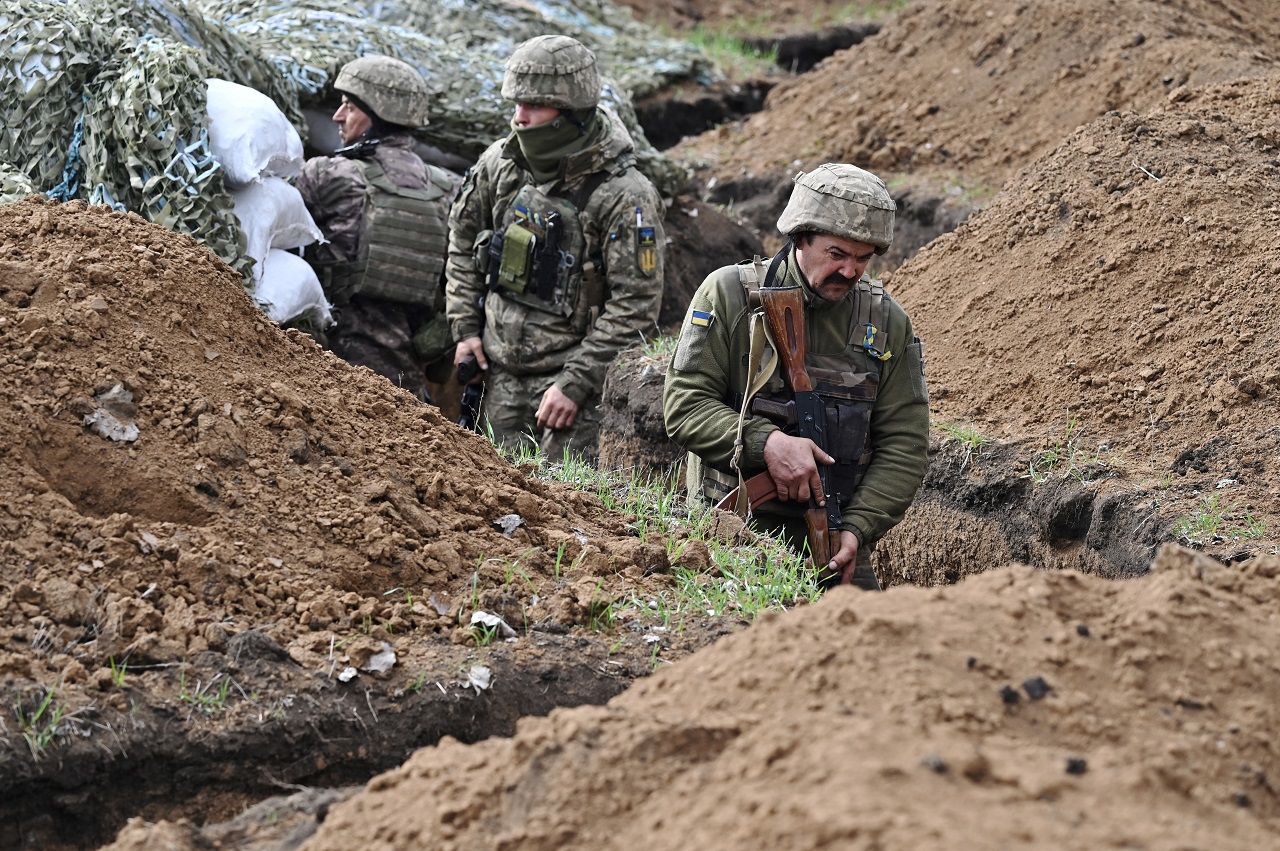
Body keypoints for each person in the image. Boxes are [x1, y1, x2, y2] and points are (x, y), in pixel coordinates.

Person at [663, 163, 929, 590]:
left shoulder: (887, 323)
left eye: (863, 259)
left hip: (836, 545)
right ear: (799, 238)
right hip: (731, 536)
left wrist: (857, 530)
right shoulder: (730, 295)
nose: (850, 271)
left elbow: (905, 444)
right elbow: (684, 405)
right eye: (837, 254)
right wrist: (766, 443)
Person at [445, 34, 665, 462]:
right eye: (516, 104)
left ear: (570, 114)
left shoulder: (624, 195)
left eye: (533, 106)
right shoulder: (500, 164)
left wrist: (575, 383)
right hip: (498, 376)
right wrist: (465, 330)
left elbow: (636, 304)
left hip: (574, 391)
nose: (519, 118)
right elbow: (461, 241)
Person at [297, 54, 459, 402]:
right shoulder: (451, 189)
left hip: (328, 368)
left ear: (377, 114)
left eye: (349, 107)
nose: (338, 117)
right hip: (406, 387)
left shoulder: (329, 174)